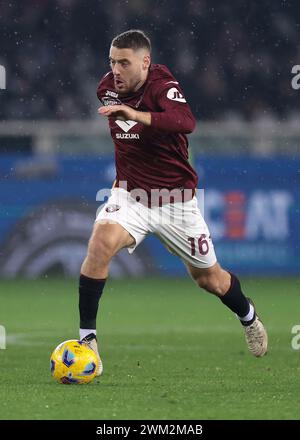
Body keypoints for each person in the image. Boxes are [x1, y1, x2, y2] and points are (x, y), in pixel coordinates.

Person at [79, 29, 268, 376]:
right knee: (100, 243)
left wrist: (135, 115)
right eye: (112, 62)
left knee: (210, 280)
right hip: (130, 195)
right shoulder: (106, 88)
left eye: (124, 62)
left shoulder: (163, 86)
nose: (116, 70)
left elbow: (185, 122)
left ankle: (248, 315)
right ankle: (87, 339)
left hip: (176, 202)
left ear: (145, 63)